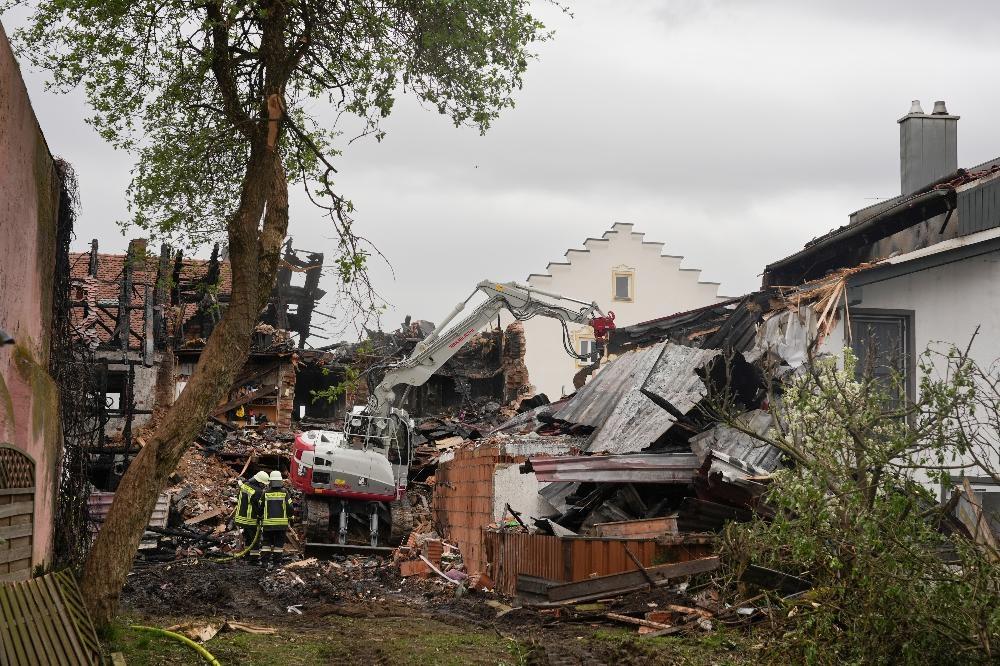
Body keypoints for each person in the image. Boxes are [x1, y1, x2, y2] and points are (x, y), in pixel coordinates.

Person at [260, 470, 293, 565]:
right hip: (281, 525)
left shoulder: (265, 493)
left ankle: (264, 563)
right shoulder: (285, 492)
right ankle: (276, 563)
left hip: (268, 525)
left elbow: (260, 507)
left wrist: (259, 516)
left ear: (270, 481)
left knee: (266, 543)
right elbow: (290, 507)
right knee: (278, 544)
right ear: (280, 481)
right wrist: (290, 517)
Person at [235, 470, 268, 557]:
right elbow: (259, 507)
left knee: (248, 538)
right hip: (250, 519)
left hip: (240, 518)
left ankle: (246, 555)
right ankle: (254, 559)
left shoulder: (244, 486)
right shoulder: (258, 491)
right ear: (259, 481)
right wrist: (261, 517)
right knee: (255, 540)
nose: (264, 485)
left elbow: (238, 497)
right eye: (263, 483)